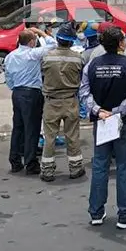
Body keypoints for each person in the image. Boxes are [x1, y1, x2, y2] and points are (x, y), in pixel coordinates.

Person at [79, 26, 126, 229]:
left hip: (102, 122)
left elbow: (83, 93)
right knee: (125, 167)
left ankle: (96, 212)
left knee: (100, 166)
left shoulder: (92, 65)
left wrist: (99, 111)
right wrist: (117, 112)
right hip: (125, 122)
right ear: (121, 44)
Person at [39, 22, 85, 182]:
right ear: (72, 41)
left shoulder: (46, 57)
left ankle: (47, 171)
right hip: (70, 101)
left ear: (57, 39)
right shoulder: (78, 59)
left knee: (49, 137)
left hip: (51, 102)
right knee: (72, 136)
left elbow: (42, 76)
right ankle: (75, 168)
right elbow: (82, 80)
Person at [4, 28, 53, 174]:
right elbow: (53, 45)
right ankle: (30, 162)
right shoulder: (33, 54)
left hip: (17, 92)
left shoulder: (10, 56)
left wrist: (14, 88)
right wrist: (42, 33)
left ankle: (15, 160)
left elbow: (8, 77)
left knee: (18, 127)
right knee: (32, 128)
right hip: (31, 93)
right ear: (32, 42)